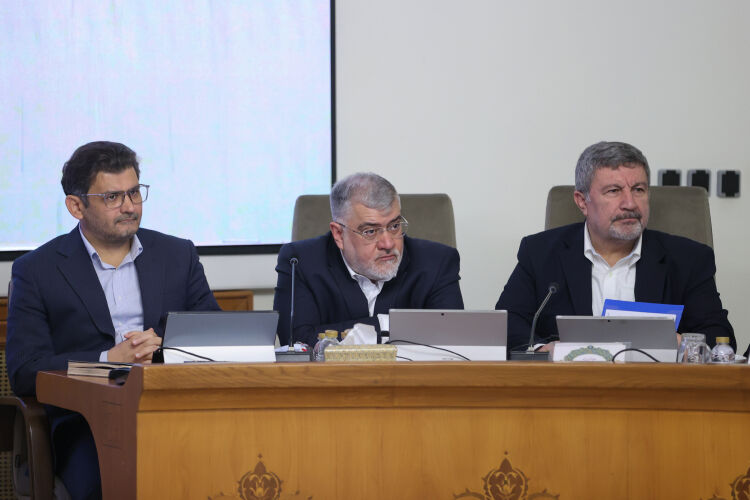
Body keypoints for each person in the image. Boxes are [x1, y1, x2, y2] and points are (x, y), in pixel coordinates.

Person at [6, 141, 220, 499]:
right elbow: (24, 370)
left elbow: (218, 338)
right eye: (112, 197)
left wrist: (165, 350)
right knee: (119, 478)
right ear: (76, 206)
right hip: (88, 424)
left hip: (176, 410)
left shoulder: (177, 255)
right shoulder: (37, 271)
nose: (130, 206)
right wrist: (108, 360)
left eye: (134, 193)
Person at [496, 141, 735, 352]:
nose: (630, 203)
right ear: (582, 201)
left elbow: (720, 339)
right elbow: (506, 324)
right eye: (614, 191)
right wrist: (544, 350)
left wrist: (680, 343)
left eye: (638, 190)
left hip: (656, 385)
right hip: (569, 384)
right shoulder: (540, 253)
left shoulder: (688, 259)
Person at [273, 172, 464, 347]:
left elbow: (452, 337)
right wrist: (387, 324)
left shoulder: (437, 261)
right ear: (338, 234)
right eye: (371, 231)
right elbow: (295, 340)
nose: (388, 243)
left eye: (394, 226)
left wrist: (352, 331)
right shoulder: (300, 261)